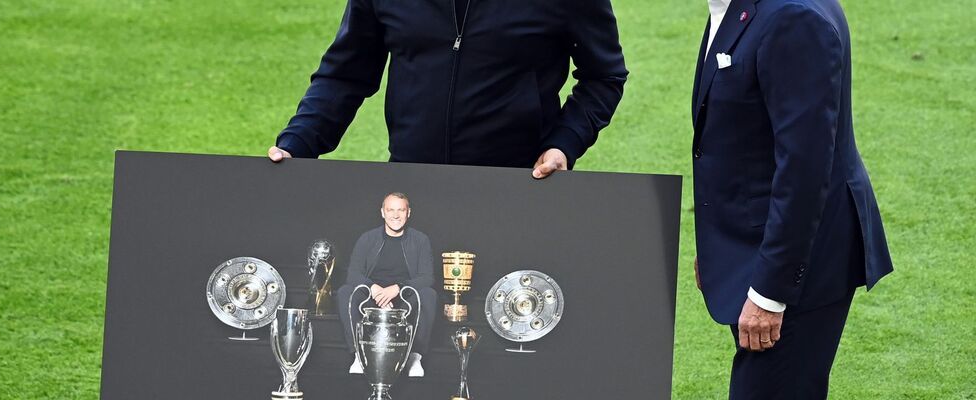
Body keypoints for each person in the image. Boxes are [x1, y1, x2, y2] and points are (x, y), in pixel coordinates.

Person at [689, 0, 894, 398]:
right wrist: (718, 247)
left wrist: (770, 292)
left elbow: (804, 170)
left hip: (800, 268)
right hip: (758, 246)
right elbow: (742, 141)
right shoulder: (736, 7)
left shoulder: (794, 19)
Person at [267, 0, 628, 179]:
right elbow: (346, 73)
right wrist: (297, 145)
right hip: (411, 188)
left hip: (520, 187)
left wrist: (563, 144)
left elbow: (603, 76)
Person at [336, 192, 437, 377]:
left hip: (404, 296)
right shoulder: (367, 238)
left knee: (429, 294)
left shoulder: (420, 240)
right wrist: (374, 289)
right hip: (372, 296)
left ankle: (415, 358)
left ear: (409, 213)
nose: (396, 215)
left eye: (401, 210)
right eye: (391, 210)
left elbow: (427, 277)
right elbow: (353, 274)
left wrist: (397, 289)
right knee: (345, 292)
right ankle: (359, 356)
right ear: (382, 212)